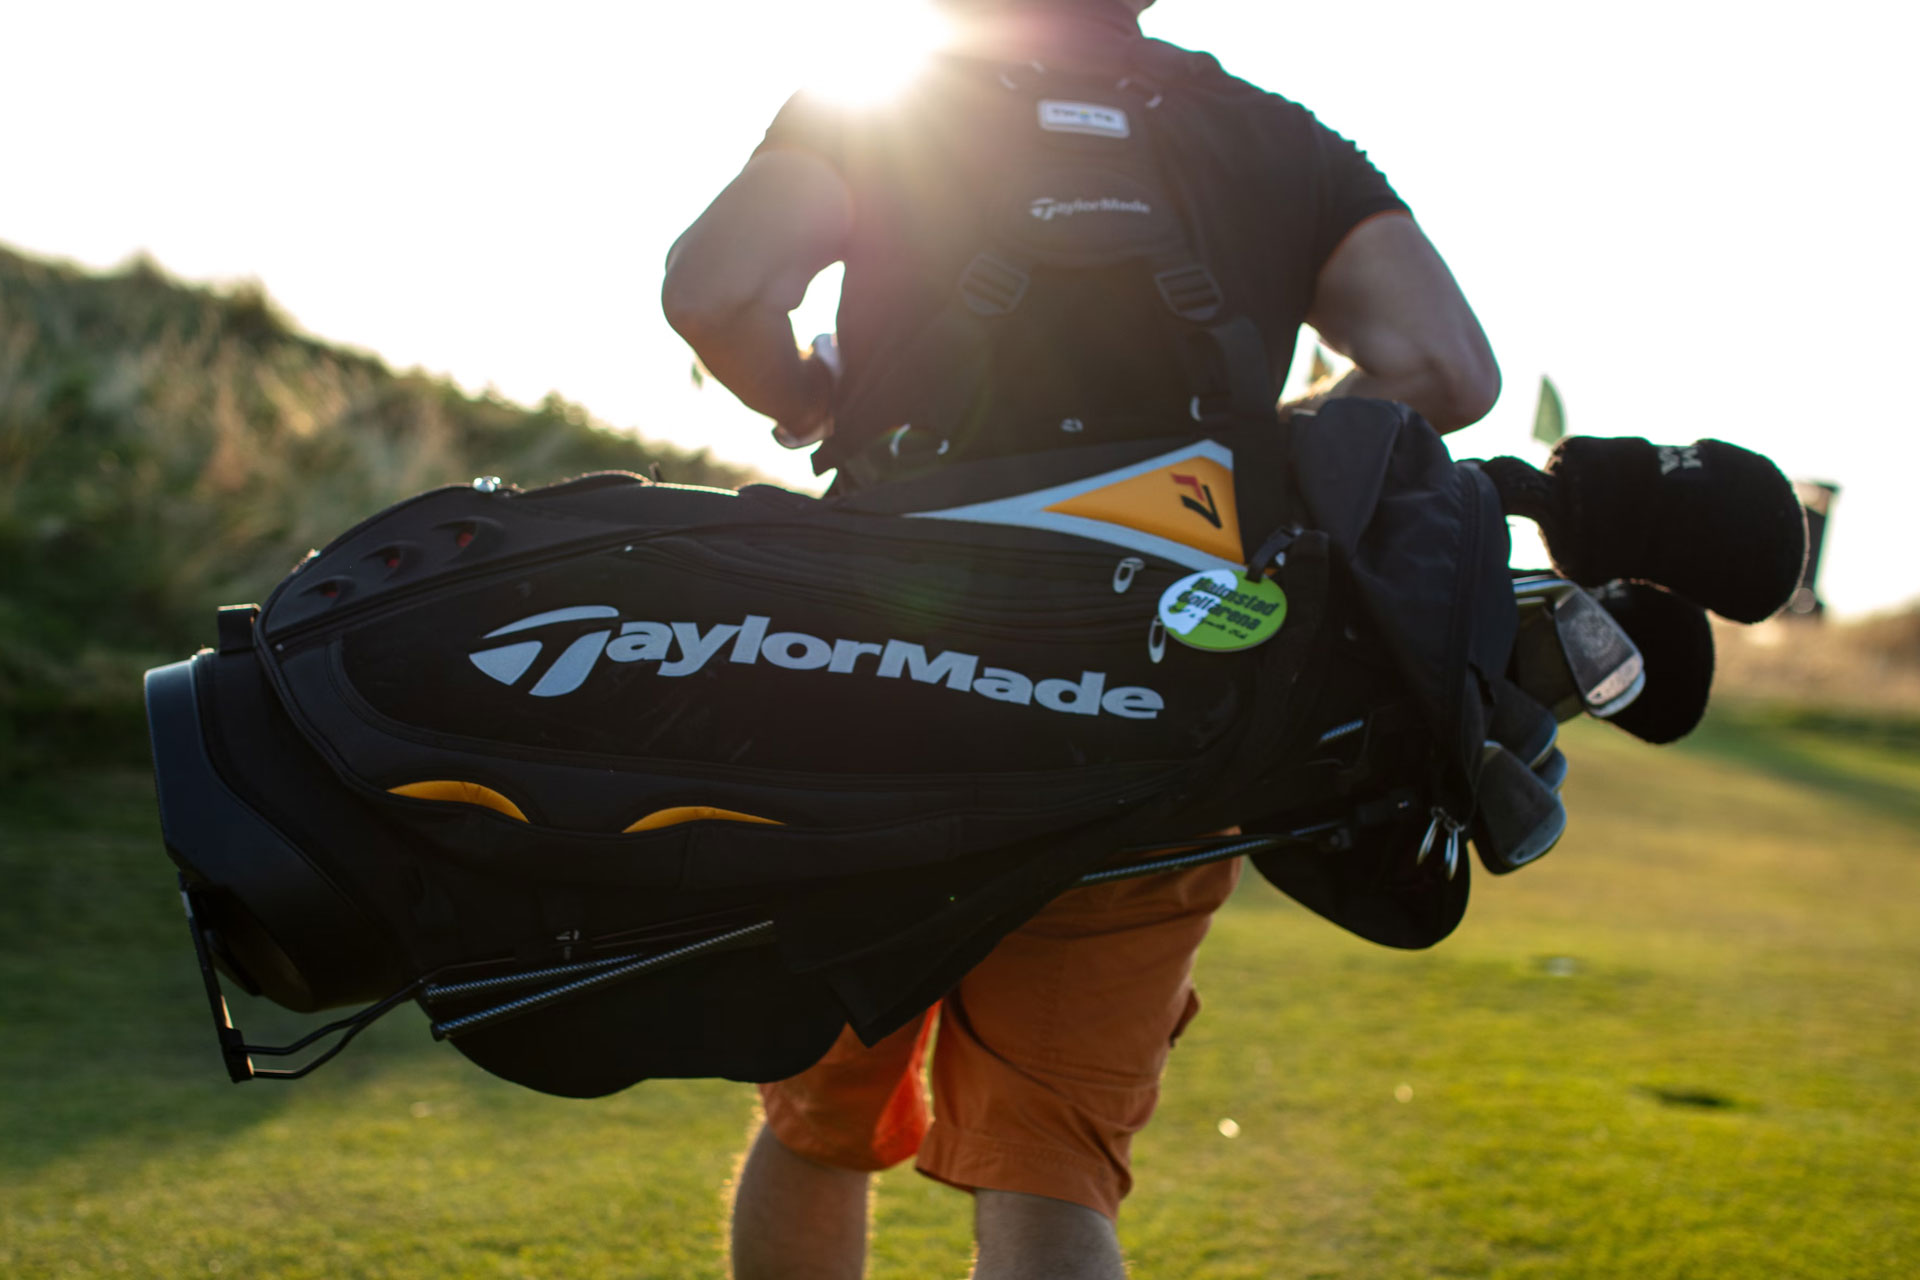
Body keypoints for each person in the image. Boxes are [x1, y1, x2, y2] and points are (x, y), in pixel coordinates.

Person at [661, 2, 1499, 1275]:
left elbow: (715, 286)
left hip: (879, 676)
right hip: (1163, 686)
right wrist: (1255, 454)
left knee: (821, 1116)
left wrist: (807, 398)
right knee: (1054, 1158)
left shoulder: (885, 97)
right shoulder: (1284, 141)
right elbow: (1445, 365)